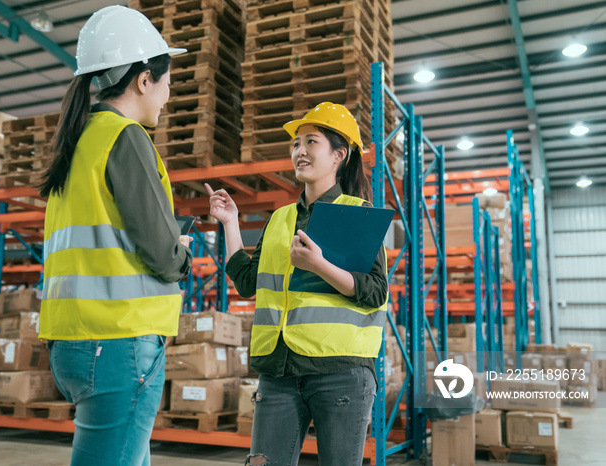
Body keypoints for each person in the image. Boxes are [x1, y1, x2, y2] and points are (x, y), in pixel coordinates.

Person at [37, 6, 192, 465]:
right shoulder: (126, 137)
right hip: (119, 342)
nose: (168, 93)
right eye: (166, 81)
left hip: (74, 342)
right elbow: (162, 253)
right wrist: (180, 254)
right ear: (144, 79)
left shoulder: (79, 139)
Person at [207, 102, 388, 466]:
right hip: (279, 371)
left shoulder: (358, 212)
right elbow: (246, 281)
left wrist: (319, 266)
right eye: (296, 144)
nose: (300, 151)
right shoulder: (280, 219)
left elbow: (375, 291)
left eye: (311, 142)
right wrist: (230, 223)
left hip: (340, 374)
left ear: (339, 155)